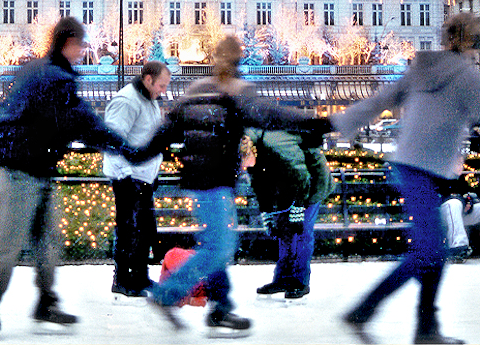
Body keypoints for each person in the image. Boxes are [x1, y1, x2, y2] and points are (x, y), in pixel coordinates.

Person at [332, 13, 480, 345]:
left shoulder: (422, 68)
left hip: (410, 165)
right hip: (421, 170)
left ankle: (420, 327)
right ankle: (374, 313)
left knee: (431, 250)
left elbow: (380, 101)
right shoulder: (468, 77)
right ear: (474, 43)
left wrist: (340, 122)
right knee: (430, 251)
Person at [133, 35, 332, 337]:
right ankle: (167, 295)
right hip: (215, 182)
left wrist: (136, 152)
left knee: (216, 245)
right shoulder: (236, 92)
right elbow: (273, 114)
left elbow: (166, 130)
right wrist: (317, 122)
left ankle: (221, 308)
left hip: (197, 180)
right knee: (221, 247)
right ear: (238, 61)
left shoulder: (195, 91)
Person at [0, 17, 128, 340]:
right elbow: (81, 122)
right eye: (80, 44)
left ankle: (46, 301)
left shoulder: (40, 70)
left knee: (47, 242)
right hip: (18, 170)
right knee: (9, 243)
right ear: (67, 43)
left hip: (36, 168)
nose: (83, 51)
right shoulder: (54, 78)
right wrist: (124, 146)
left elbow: (17, 112)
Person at [103, 60, 171, 301]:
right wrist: (125, 175)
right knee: (128, 227)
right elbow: (112, 140)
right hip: (128, 177)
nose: (164, 91)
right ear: (148, 79)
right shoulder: (127, 101)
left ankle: (140, 276)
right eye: (161, 85)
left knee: (143, 228)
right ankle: (122, 278)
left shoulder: (149, 100)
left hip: (143, 177)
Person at [245, 128, 332, 299]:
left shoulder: (277, 148)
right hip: (287, 186)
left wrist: (298, 211)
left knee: (301, 232)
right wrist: (268, 216)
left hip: (312, 181)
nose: (244, 167)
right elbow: (260, 187)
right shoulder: (252, 155)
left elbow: (301, 177)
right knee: (285, 232)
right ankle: (283, 279)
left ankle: (300, 281)